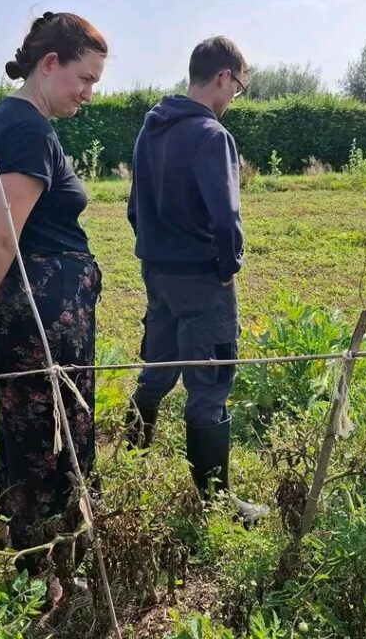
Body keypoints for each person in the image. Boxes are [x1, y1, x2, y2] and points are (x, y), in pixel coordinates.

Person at [0, 12, 107, 578]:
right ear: (50, 64)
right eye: (84, 78)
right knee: (46, 437)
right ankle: (45, 568)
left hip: (44, 308)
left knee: (42, 428)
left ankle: (52, 557)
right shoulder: (27, 131)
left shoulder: (20, 122)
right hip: (42, 316)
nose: (89, 94)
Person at [124, 35, 266, 523]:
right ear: (224, 77)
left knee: (159, 365)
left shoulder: (150, 129)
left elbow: (134, 208)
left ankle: (130, 456)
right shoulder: (211, 135)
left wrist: (156, 252)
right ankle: (217, 502)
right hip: (203, 280)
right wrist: (227, 267)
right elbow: (227, 218)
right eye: (238, 88)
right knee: (210, 381)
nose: (234, 99)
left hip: (157, 273)